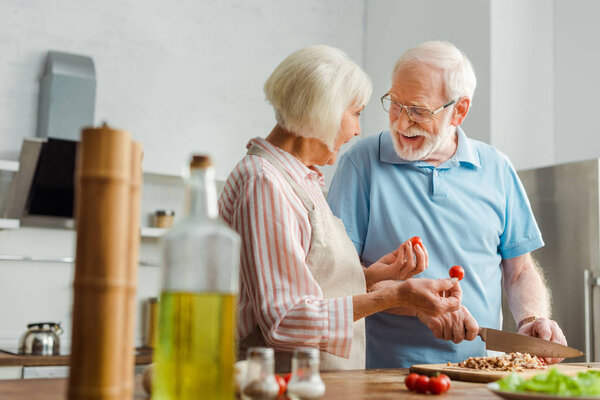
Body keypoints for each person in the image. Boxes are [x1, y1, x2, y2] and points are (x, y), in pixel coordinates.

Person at [218, 45, 462, 372]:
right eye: (356, 113)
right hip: (282, 386)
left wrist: (372, 276)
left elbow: (309, 286)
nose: (357, 130)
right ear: (325, 110)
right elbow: (284, 320)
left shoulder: (299, 180)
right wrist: (395, 295)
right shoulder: (264, 183)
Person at [327, 41, 568, 369]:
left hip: (482, 373)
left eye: (418, 110)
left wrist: (532, 319)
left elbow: (520, 270)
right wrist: (413, 303)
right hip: (383, 373)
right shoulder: (361, 163)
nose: (400, 122)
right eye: (394, 104)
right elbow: (339, 280)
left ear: (460, 110)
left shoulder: (496, 167)